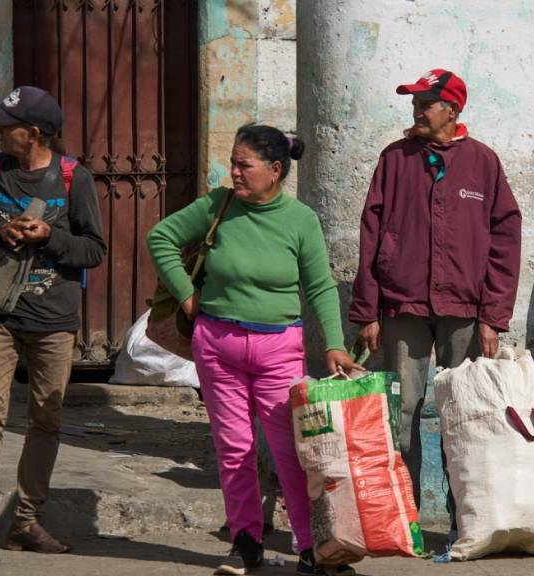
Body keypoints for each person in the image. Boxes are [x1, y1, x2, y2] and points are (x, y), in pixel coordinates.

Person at [147, 124, 360, 576]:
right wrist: (187, 295)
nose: (235, 172)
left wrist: (336, 345)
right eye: (234, 162)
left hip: (279, 348)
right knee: (235, 450)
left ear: (276, 170)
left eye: (244, 165)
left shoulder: (300, 220)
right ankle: (246, 544)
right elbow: (160, 238)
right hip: (216, 345)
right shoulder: (216, 205)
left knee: (292, 453)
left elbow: (320, 286)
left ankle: (310, 548)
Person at [349, 69, 522, 513]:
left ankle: (465, 513)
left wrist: (492, 316)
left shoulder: (483, 162)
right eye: (415, 103)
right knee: (401, 411)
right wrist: (367, 311)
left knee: (463, 413)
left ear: (453, 109)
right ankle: (404, 514)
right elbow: (371, 234)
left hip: (464, 311)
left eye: (427, 103)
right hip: (402, 306)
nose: (417, 110)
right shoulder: (394, 159)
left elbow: (505, 238)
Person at [0, 86, 106, 564]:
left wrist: (49, 237)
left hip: (53, 321)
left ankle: (25, 520)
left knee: (46, 418)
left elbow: (94, 251)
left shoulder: (73, 179)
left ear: (34, 133)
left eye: (7, 125)